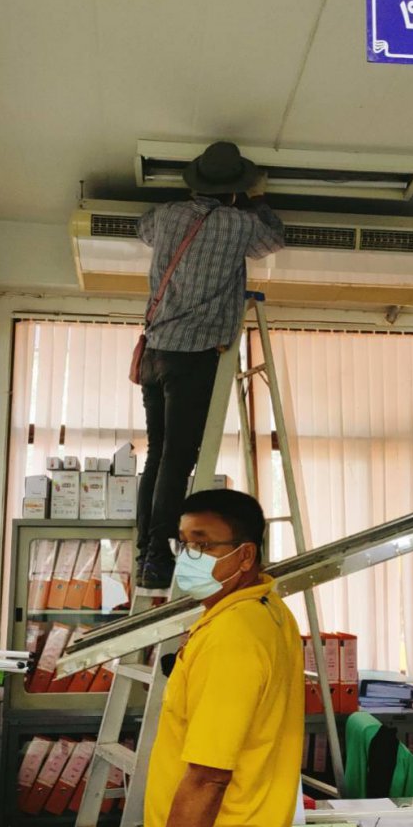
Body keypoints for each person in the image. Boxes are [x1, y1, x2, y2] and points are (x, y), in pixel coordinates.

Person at [134, 141, 285, 589]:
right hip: (194, 356)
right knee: (178, 459)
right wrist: (258, 198)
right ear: (236, 188)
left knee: (159, 456)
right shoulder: (240, 225)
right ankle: (159, 557)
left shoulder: (166, 215)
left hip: (155, 351)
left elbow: (142, 228)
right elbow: (275, 239)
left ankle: (149, 554)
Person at [137, 489, 304, 827]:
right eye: (184, 543)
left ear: (244, 556)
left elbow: (207, 779)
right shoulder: (269, 610)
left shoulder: (232, 636)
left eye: (202, 545)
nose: (187, 557)